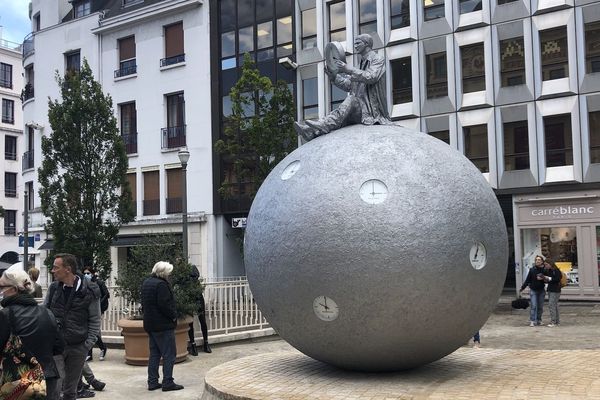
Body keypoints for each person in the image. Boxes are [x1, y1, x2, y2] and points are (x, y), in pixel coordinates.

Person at [293, 33, 391, 141]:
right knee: (339, 116)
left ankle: (321, 125)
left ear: (367, 44)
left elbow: (371, 77)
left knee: (351, 99)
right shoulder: (359, 66)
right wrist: (334, 77)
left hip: (371, 112)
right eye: (355, 43)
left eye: (358, 43)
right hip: (361, 110)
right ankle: (311, 131)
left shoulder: (378, 60)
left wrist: (348, 69)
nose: (355, 46)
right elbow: (349, 85)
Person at [44, 253, 101, 400]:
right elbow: (45, 314)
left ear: (67, 269)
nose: (52, 270)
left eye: (56, 267)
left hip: (78, 347)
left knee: (71, 391)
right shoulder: (53, 289)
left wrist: (87, 345)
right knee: (55, 388)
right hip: (56, 347)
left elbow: (95, 319)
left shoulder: (90, 290)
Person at [0, 268, 63, 400]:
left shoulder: (5, 315)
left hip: (17, 382)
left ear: (15, 289)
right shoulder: (47, 313)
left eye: (1, 287)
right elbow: (59, 347)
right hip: (47, 378)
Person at [141, 261, 184, 392]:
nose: (170, 276)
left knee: (154, 354)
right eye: (169, 273)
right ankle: (168, 382)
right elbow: (165, 305)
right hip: (163, 325)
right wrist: (173, 316)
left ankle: (152, 382)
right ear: (163, 273)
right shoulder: (161, 285)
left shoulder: (146, 283)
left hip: (150, 324)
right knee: (169, 354)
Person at [83, 266, 109, 361]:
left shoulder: (99, 283)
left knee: (95, 332)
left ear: (93, 273)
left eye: (88, 273)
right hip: (87, 310)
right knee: (89, 332)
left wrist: (98, 304)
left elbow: (106, 294)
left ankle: (102, 348)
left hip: (98, 310)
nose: (86, 275)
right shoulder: (84, 284)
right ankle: (89, 354)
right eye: (85, 273)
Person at [187, 265, 211, 355]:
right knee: (197, 321)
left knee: (195, 321)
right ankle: (201, 344)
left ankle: (199, 345)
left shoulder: (187, 275)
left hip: (194, 298)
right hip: (194, 298)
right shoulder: (191, 276)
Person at [519, 255, 546, 327]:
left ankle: (539, 320)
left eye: (539, 260)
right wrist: (522, 288)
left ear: (542, 261)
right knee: (533, 306)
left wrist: (543, 278)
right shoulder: (532, 270)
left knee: (540, 307)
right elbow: (527, 280)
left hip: (541, 290)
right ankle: (532, 320)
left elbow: (547, 280)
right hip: (533, 290)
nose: (537, 261)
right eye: (536, 260)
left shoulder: (544, 270)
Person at [543, 258, 562, 327]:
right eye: (545, 265)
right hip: (551, 289)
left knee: (551, 305)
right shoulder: (549, 270)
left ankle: (553, 321)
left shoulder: (556, 270)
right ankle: (557, 321)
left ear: (550, 264)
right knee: (554, 305)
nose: (546, 266)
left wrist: (549, 278)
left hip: (555, 290)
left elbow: (558, 278)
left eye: (546, 264)